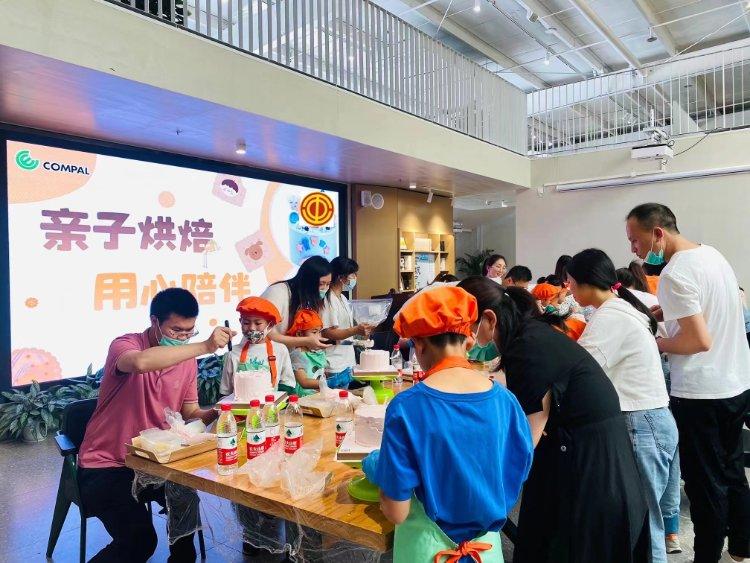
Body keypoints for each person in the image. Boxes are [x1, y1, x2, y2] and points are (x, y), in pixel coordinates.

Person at [458, 276, 651, 563]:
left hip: (591, 468)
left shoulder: (528, 348)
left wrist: (467, 472)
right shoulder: (528, 336)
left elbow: (524, 442)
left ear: (488, 319)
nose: (464, 340)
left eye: (464, 329)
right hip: (579, 453)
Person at [361, 286, 534, 562]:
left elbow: (396, 512)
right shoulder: (506, 401)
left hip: (426, 552)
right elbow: (517, 468)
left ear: (419, 345)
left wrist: (380, 469)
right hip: (487, 551)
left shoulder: (406, 407)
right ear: (469, 341)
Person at [626, 203, 750, 563]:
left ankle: (706, 555)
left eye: (636, 240)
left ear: (658, 233)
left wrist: (655, 343)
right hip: (736, 381)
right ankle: (741, 546)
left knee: (704, 483)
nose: (634, 249)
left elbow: (698, 340)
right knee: (732, 470)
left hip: (701, 393)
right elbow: (709, 304)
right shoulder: (711, 255)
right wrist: (663, 311)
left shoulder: (674, 273)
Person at [77, 288, 234, 562]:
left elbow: (189, 412)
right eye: (176, 330)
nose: (183, 338)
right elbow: (140, 363)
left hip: (155, 461)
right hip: (107, 465)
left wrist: (219, 411)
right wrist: (205, 346)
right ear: (154, 322)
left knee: (185, 505)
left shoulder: (186, 361)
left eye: (189, 332)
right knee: (139, 541)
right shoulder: (126, 345)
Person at [569, 249, 679, 563]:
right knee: (642, 520)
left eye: (571, 283)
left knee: (643, 523)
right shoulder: (619, 309)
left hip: (640, 423)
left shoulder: (611, 316)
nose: (570, 290)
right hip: (649, 421)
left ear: (585, 282)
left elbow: (580, 368)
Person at [617, 265, 681, 553]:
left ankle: (658, 542)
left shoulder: (618, 309)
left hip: (640, 393)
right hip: (664, 380)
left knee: (645, 498)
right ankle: (672, 532)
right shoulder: (652, 299)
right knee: (668, 458)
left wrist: (654, 343)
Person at [219, 296, 295, 398]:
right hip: (241, 405)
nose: (251, 328)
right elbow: (225, 391)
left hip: (271, 405)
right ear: (240, 322)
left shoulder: (280, 350)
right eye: (246, 323)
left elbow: (287, 382)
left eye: (258, 323)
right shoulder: (233, 353)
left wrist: (279, 401)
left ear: (270, 325)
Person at [320, 257, 373, 388]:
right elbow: (327, 333)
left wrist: (360, 333)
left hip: (347, 361)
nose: (355, 278)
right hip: (334, 363)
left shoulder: (343, 298)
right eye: (352, 274)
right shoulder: (328, 298)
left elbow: (346, 331)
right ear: (341, 277)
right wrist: (355, 330)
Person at [260, 256, 332, 350]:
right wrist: (305, 341)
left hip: (282, 354)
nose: (325, 288)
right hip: (261, 353)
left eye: (328, 284)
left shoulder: (305, 299)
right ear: (308, 281)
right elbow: (266, 333)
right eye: (321, 284)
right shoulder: (277, 292)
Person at [287, 309, 331, 395]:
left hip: (319, 397)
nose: (318, 336)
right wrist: (329, 383)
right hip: (304, 399)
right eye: (314, 332)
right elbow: (304, 382)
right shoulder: (297, 356)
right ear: (299, 334)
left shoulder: (318, 353)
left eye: (319, 332)